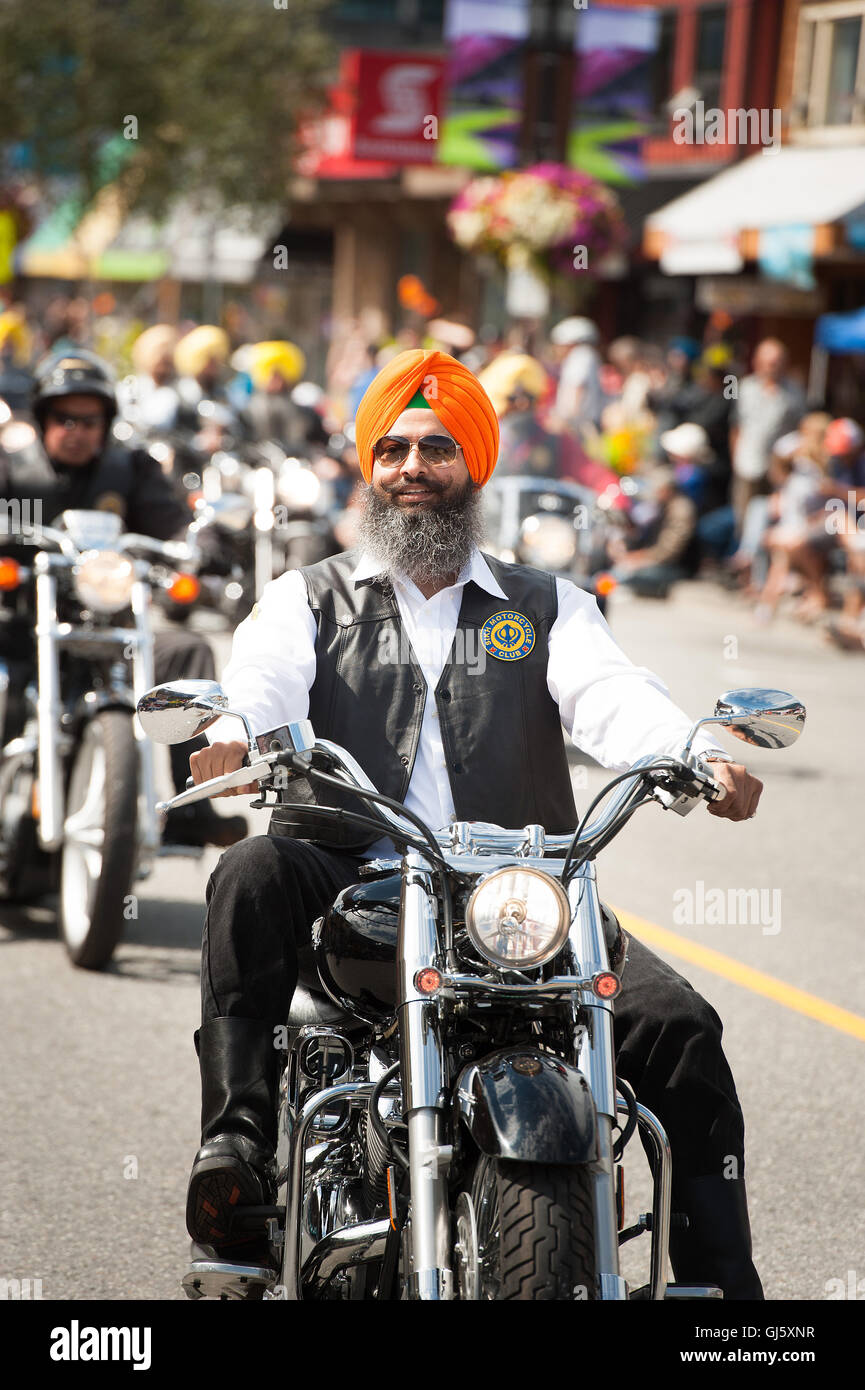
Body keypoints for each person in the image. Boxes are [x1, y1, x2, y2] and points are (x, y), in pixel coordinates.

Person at [183, 348, 766, 1299]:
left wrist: (698, 750)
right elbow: (260, 681)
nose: (412, 467)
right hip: (350, 875)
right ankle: (237, 1150)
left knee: (679, 1027)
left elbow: (614, 696)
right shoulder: (307, 599)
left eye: (438, 447)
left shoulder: (546, 606)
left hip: (514, 893)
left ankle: (720, 1300)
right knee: (250, 870)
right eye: (394, 449)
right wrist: (233, 728)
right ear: (369, 467)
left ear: (475, 465)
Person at [0, 349, 246, 850]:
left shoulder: (128, 469)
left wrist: (199, 546)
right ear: (45, 418)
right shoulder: (13, 469)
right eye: (64, 417)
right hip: (24, 627)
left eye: (90, 420)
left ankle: (191, 808)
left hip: (111, 632)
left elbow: (173, 521)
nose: (77, 429)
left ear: (106, 422)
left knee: (187, 652)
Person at [729, 339, 805, 533]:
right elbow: (735, 426)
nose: (773, 367)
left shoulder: (794, 392)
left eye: (777, 362)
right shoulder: (744, 388)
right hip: (748, 463)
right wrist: (735, 458)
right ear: (757, 362)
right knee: (744, 516)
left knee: (774, 516)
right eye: (769, 362)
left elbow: (801, 429)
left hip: (779, 468)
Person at [245, 340, 328, 453]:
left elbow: (321, 441)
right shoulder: (248, 413)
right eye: (273, 376)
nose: (278, 382)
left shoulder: (306, 414)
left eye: (281, 376)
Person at [550, 317, 603, 430]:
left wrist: (566, 421)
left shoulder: (580, 356)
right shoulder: (588, 355)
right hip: (581, 423)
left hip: (577, 425)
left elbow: (577, 387)